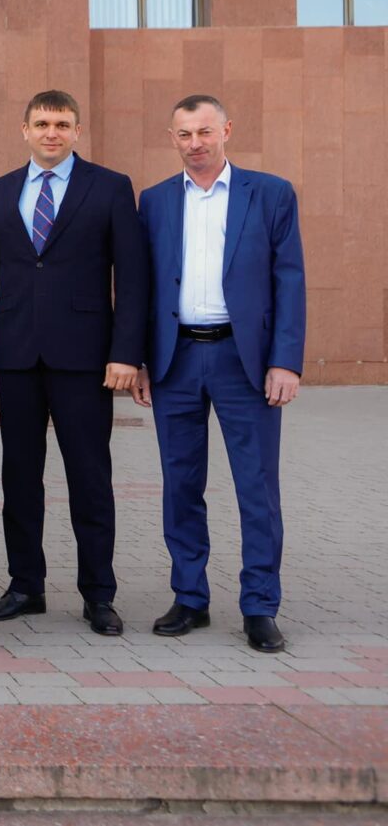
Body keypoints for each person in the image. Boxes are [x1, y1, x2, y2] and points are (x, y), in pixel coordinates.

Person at [0, 90, 148, 637]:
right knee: (19, 478)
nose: (51, 132)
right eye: (41, 123)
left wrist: (125, 354)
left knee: (90, 479)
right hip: (15, 355)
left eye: (62, 123)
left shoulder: (109, 188)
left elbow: (131, 280)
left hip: (87, 359)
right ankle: (25, 586)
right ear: (24, 130)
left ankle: (98, 595)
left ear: (77, 131)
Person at [132, 95, 304, 654]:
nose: (195, 144)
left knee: (257, 487)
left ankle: (259, 605)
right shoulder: (154, 201)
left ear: (226, 130)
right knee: (181, 486)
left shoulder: (270, 193)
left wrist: (285, 360)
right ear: (172, 137)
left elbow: (289, 280)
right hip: (176, 360)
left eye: (205, 131)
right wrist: (137, 356)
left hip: (244, 362)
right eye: (184, 135)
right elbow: (141, 287)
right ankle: (190, 598)